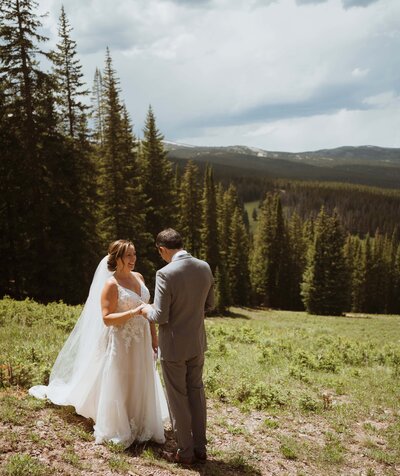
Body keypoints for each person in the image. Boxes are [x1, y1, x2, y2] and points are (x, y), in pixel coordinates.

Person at [29, 240, 169, 448]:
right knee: (121, 377)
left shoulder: (139, 277)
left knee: (142, 375)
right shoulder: (111, 285)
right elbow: (107, 318)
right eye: (129, 255)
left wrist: (154, 337)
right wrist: (132, 313)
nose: (133, 259)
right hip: (123, 341)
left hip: (143, 339)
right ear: (118, 258)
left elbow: (147, 308)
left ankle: (141, 422)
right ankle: (119, 423)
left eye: (134, 254)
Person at [141, 228, 215, 465]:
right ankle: (201, 449)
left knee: (177, 398)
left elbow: (160, 316)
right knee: (197, 393)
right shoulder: (204, 267)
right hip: (196, 342)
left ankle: (185, 452)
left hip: (173, 346)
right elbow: (210, 304)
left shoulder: (165, 273)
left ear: (162, 249)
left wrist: (145, 309)